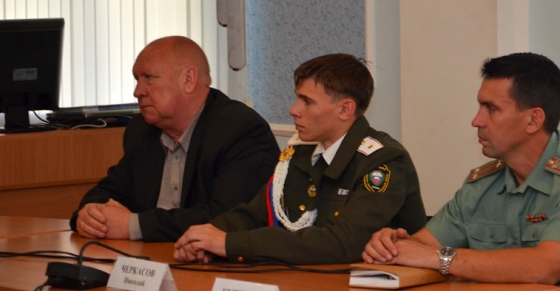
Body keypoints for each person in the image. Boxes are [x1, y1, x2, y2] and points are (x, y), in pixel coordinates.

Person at [362, 52, 560, 291]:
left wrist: (441, 258)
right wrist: (390, 244)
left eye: (491, 109)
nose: (476, 121)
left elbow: (545, 268)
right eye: (480, 106)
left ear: (533, 120)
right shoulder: (482, 184)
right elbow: (421, 245)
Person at [173, 53, 427, 264]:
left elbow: (344, 244)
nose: (293, 110)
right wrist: (205, 237)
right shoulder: (301, 152)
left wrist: (229, 244)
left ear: (345, 109)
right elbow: (255, 214)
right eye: (297, 98)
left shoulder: (383, 161)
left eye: (307, 101)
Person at [70, 36, 280, 242]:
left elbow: (229, 218)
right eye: (137, 79)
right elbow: (111, 190)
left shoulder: (240, 131)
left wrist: (134, 225)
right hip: (154, 257)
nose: (137, 91)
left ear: (188, 79)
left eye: (149, 78)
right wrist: (90, 214)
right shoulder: (142, 130)